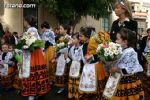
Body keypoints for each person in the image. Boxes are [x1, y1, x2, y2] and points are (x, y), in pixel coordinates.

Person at [103, 28, 144, 100]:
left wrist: (117, 69)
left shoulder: (131, 52)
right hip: (117, 78)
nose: (115, 41)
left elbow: (131, 69)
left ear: (125, 42)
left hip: (127, 81)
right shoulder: (120, 49)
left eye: (117, 39)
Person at [21, 15, 50, 100]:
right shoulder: (32, 29)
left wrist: (24, 45)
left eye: (24, 20)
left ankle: (32, 94)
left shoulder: (31, 29)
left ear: (28, 21)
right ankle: (36, 93)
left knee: (33, 73)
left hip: (34, 54)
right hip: (35, 53)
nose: (23, 22)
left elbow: (32, 43)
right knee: (36, 73)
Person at [68, 33, 84, 99]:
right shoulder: (72, 48)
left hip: (80, 68)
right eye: (72, 38)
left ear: (79, 40)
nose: (72, 40)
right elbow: (71, 57)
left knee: (78, 82)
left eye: (74, 38)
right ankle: (72, 95)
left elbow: (82, 59)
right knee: (72, 82)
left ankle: (79, 96)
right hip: (73, 68)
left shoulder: (82, 48)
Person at [40, 21, 56, 86]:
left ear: (44, 27)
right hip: (51, 49)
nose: (42, 30)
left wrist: (43, 50)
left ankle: (50, 80)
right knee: (50, 64)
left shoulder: (46, 32)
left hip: (48, 49)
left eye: (42, 28)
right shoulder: (51, 32)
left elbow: (46, 43)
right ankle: (51, 79)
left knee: (48, 64)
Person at [140, 28, 150, 95]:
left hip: (149, 57)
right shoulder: (145, 38)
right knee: (145, 72)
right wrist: (142, 54)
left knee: (148, 72)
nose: (149, 34)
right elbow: (142, 47)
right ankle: (145, 87)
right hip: (145, 56)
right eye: (149, 32)